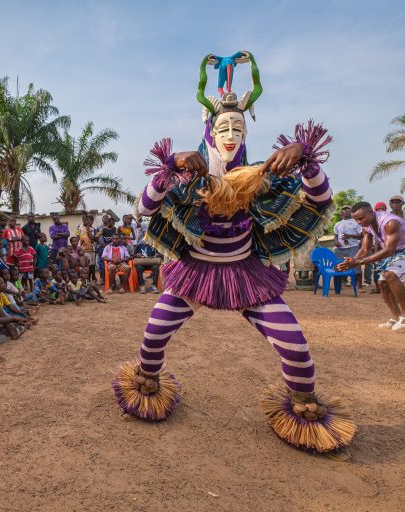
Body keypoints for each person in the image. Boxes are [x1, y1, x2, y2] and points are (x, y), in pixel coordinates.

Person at [111, 52, 355, 459]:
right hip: (193, 274)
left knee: (295, 345)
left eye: (238, 127)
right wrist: (170, 164)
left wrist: (306, 157)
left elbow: (320, 198)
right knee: (153, 336)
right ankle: (146, 384)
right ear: (209, 130)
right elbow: (144, 209)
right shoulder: (190, 177)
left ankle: (304, 406)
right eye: (223, 126)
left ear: (246, 133)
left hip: (248, 276)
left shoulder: (263, 175)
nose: (230, 134)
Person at [337, 202, 405, 330]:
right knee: (382, 283)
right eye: (356, 219)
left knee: (390, 275)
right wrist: (354, 259)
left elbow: (388, 250)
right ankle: (396, 317)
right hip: (402, 251)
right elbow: (365, 249)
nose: (359, 222)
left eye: (361, 218)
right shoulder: (366, 226)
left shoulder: (390, 222)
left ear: (371, 212)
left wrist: (359, 262)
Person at [333, 206, 363, 287]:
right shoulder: (337, 224)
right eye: (342, 209)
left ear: (351, 212)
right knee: (338, 266)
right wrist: (336, 242)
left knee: (356, 266)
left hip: (353, 247)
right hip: (340, 249)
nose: (344, 210)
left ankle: (359, 285)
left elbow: (361, 235)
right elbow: (335, 235)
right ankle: (340, 283)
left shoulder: (356, 222)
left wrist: (349, 236)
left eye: (347, 209)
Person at [76, 214, 98, 280]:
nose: (86, 221)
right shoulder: (79, 227)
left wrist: (88, 230)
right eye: (85, 219)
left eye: (88, 220)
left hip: (92, 248)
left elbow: (93, 239)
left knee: (93, 264)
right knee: (86, 264)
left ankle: (93, 277)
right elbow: (77, 238)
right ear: (82, 220)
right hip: (83, 249)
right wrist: (78, 248)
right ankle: (87, 278)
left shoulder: (93, 229)